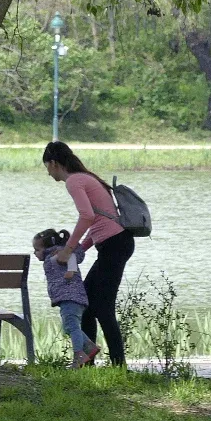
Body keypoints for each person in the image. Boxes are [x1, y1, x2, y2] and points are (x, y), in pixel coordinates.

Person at [43, 141, 136, 367]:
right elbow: (98, 223)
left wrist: (67, 250)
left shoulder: (74, 181)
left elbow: (87, 217)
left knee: (102, 307)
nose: (47, 172)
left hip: (115, 245)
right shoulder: (84, 178)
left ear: (54, 163)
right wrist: (80, 248)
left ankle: (118, 365)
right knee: (86, 302)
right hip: (113, 244)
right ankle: (88, 360)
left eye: (46, 166)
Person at [33, 228, 102, 368]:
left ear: (47, 247)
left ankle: (79, 356)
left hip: (70, 296)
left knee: (72, 326)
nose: (35, 253)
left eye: (37, 249)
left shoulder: (56, 254)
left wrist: (71, 270)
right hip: (70, 297)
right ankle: (89, 346)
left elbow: (71, 256)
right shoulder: (54, 254)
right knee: (68, 326)